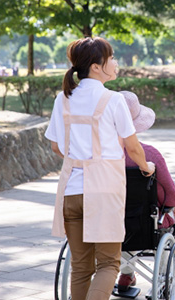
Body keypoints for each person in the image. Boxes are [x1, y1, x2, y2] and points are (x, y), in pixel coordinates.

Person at [45, 37, 155, 300]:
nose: (115, 63)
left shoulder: (63, 99)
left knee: (81, 268)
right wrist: (146, 166)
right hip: (105, 191)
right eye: (112, 58)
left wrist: (79, 156)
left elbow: (56, 147)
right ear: (96, 66)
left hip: (71, 190)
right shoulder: (113, 100)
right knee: (108, 264)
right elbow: (133, 146)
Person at [116, 91, 175, 292]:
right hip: (143, 221)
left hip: (109, 216)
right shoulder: (150, 154)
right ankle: (160, 278)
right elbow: (170, 191)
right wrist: (174, 204)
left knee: (123, 220)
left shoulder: (99, 154)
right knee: (151, 222)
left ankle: (127, 275)